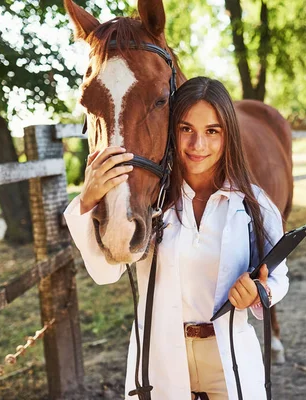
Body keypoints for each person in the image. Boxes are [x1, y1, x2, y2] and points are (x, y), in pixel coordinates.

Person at [63, 77, 289, 399]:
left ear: (228, 135)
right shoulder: (153, 205)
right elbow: (105, 273)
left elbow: (278, 279)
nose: (198, 145)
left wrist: (259, 292)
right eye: (186, 129)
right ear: (172, 131)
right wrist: (87, 201)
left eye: (212, 131)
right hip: (160, 358)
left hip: (229, 357)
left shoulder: (253, 204)